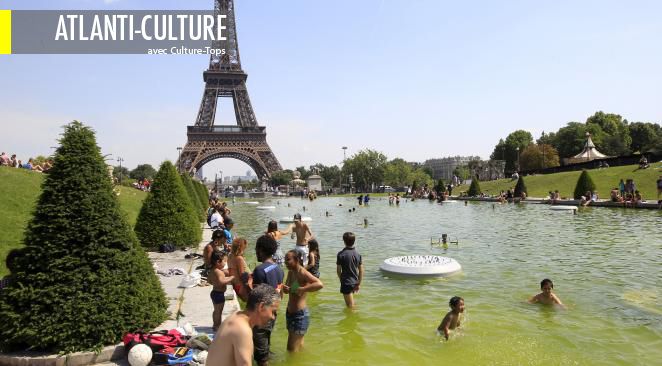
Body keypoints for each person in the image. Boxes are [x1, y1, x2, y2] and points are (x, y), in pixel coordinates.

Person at [206, 284, 281, 366]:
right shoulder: (242, 329)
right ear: (261, 306)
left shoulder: (235, 317)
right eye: (273, 312)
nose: (273, 317)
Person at [250, 234, 284, 366]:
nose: (256, 252)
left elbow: (256, 297)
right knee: (265, 346)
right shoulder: (279, 269)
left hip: (261, 316)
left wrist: (248, 284)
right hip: (272, 313)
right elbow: (279, 294)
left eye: (256, 249)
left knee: (261, 358)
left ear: (261, 250)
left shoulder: (259, 270)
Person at [282, 250, 323, 352]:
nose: (285, 262)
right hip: (290, 314)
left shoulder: (302, 272)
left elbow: (319, 284)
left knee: (291, 349)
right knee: (298, 346)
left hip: (299, 315)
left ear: (296, 260)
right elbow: (288, 289)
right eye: (285, 260)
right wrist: (286, 289)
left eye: (288, 260)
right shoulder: (291, 272)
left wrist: (304, 289)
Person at [336, 232, 364, 308]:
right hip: (354, 281)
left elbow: (338, 270)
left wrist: (341, 280)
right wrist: (359, 283)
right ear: (354, 241)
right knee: (351, 303)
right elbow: (361, 270)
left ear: (344, 241)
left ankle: (354, 318)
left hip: (346, 282)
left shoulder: (341, 254)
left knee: (350, 306)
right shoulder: (357, 254)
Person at [209, 251, 234, 332]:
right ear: (218, 262)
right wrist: (231, 278)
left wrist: (215, 282)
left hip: (214, 292)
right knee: (219, 311)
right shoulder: (219, 272)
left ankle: (214, 324)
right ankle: (218, 326)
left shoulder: (212, 270)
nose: (225, 263)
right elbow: (222, 281)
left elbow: (209, 280)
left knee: (216, 310)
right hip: (219, 294)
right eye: (224, 261)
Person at [229, 238, 251, 302]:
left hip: (236, 285)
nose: (245, 250)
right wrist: (248, 288)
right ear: (241, 248)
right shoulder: (239, 259)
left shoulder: (230, 256)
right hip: (241, 287)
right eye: (244, 248)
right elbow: (242, 275)